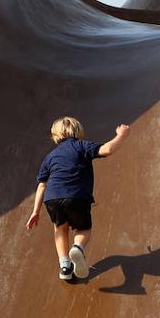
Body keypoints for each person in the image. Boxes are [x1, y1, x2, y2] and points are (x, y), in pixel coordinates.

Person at [25, 116, 130, 281]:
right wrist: (121, 135)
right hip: (76, 196)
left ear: (56, 136)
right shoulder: (81, 146)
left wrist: (35, 212)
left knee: (60, 229)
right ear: (78, 132)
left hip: (52, 198)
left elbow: (41, 186)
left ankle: (65, 265)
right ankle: (77, 248)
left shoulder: (50, 157)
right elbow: (107, 149)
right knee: (83, 230)